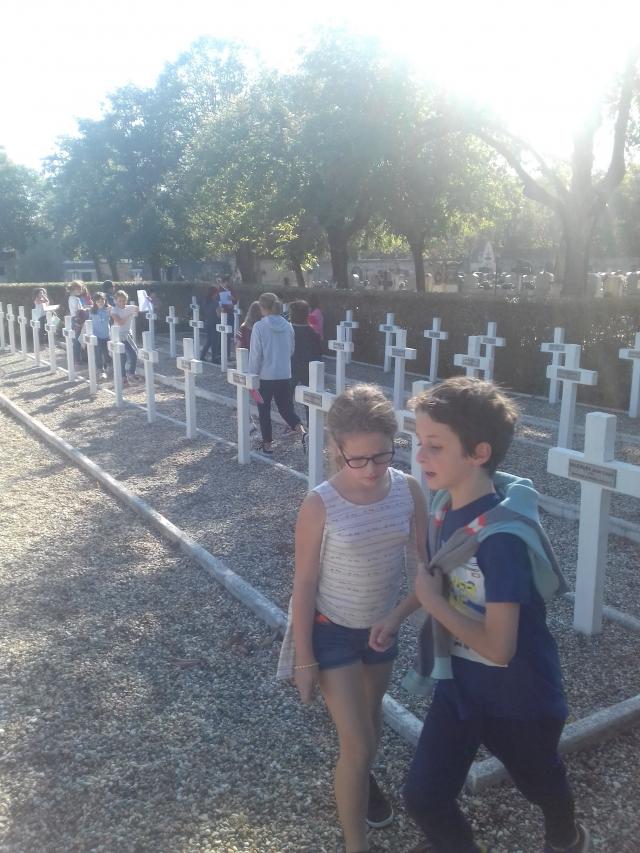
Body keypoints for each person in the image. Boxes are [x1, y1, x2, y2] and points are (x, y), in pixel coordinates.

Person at [404, 377, 588, 853]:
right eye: (419, 443)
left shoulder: (501, 540)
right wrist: (397, 613)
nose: (421, 457)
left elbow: (501, 647)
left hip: (518, 699)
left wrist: (432, 603)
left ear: (478, 453)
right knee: (424, 796)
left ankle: (567, 836)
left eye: (435, 446)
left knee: (540, 783)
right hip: (460, 687)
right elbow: (437, 578)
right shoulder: (446, 505)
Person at [277, 384, 428, 853]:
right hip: (332, 631)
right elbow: (303, 585)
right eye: (355, 459)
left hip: (381, 632)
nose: (368, 470)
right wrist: (305, 660)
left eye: (380, 457)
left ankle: (362, 783)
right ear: (336, 449)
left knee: (370, 726)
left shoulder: (408, 490)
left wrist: (399, 616)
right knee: (359, 745)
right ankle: (355, 845)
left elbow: (423, 565)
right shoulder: (320, 503)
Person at [247, 292, 306, 456]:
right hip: (284, 374)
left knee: (264, 410)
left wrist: (251, 377)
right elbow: (292, 350)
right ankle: (302, 432)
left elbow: (255, 355)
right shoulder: (288, 326)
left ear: (262, 307)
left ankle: (267, 445)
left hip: (266, 376)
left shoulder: (259, 327)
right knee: (286, 409)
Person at [289, 300, 323, 425]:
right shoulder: (313, 333)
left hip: (290, 368)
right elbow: (319, 352)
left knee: (286, 398)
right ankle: (311, 423)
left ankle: (292, 423)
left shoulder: (288, 331)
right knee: (310, 401)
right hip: (309, 369)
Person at [110, 290, 141, 385]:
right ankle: (123, 376)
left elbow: (138, 309)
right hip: (118, 335)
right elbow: (120, 322)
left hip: (127, 334)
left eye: (124, 300)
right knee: (122, 357)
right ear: (115, 301)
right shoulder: (114, 310)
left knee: (134, 353)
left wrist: (137, 308)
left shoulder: (129, 308)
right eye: (120, 301)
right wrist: (129, 314)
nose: (122, 303)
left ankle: (131, 373)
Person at [82, 292, 111, 379]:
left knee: (106, 353)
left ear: (105, 300)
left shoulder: (108, 309)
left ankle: (109, 365)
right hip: (95, 335)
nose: (101, 303)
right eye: (98, 301)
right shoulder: (92, 311)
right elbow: (88, 321)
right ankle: (100, 370)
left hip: (106, 335)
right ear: (95, 302)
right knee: (97, 352)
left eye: (102, 300)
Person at [67, 280, 86, 367]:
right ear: (74, 289)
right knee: (77, 340)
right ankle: (77, 360)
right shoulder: (75, 299)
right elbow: (78, 310)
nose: (80, 291)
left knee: (78, 339)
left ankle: (79, 358)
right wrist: (85, 309)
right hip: (77, 319)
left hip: (75, 318)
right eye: (79, 289)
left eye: (81, 289)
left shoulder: (72, 298)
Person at [199, 287, 220, 363]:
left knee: (209, 341)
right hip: (214, 323)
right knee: (215, 341)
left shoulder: (205, 302)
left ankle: (202, 355)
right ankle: (214, 358)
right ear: (213, 294)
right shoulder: (215, 303)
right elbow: (219, 314)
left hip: (207, 322)